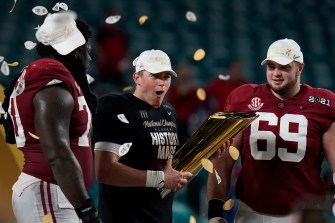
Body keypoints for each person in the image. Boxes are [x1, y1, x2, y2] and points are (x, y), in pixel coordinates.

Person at [207, 38, 335, 223]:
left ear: (300, 68)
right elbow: (224, 159)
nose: (276, 73)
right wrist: (215, 211)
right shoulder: (243, 99)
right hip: (252, 211)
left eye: (284, 67)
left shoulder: (323, 104)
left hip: (305, 213)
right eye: (271, 66)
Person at [0, 12, 100, 222]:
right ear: (75, 51)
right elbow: (57, 153)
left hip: (54, 193)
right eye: (87, 51)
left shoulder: (51, 77)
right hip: (49, 191)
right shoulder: (51, 81)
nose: (89, 58)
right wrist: (87, 210)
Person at [93, 49, 194, 223]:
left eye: (166, 77)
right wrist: (161, 179)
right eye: (155, 76)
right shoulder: (114, 106)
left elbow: (167, 172)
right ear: (137, 78)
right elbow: (104, 170)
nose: (162, 83)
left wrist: (208, 152)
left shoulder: (169, 113)